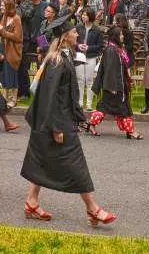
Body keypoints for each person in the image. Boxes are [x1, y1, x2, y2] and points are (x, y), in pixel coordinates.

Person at [21, 14, 116, 227]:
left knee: (44, 160)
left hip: (60, 120)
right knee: (76, 164)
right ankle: (93, 209)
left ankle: (31, 201)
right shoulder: (57, 61)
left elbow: (65, 94)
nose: (77, 33)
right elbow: (51, 97)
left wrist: (78, 117)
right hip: (57, 122)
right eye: (73, 31)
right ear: (65, 37)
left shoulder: (62, 57)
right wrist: (56, 127)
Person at [87, 26, 142, 139]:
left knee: (104, 108)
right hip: (114, 87)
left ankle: (92, 125)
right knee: (123, 110)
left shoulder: (118, 49)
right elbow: (110, 70)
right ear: (115, 37)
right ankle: (130, 131)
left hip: (118, 85)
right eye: (121, 34)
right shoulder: (111, 50)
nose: (123, 36)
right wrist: (112, 87)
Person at [0, 0, 23, 109]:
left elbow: (18, 37)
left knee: (12, 75)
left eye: (4, 6)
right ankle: (5, 97)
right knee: (4, 74)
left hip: (12, 51)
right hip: (3, 49)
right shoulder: (5, 17)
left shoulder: (17, 18)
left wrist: (3, 32)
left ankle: (14, 98)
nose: (2, 7)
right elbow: (0, 30)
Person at [75, 8, 103, 111]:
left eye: (85, 15)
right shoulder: (78, 27)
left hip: (91, 57)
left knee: (89, 80)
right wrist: (79, 45)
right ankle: (80, 103)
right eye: (82, 15)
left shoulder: (97, 30)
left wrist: (89, 48)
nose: (83, 16)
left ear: (90, 16)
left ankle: (89, 104)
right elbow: (74, 41)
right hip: (79, 56)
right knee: (80, 80)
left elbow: (100, 46)